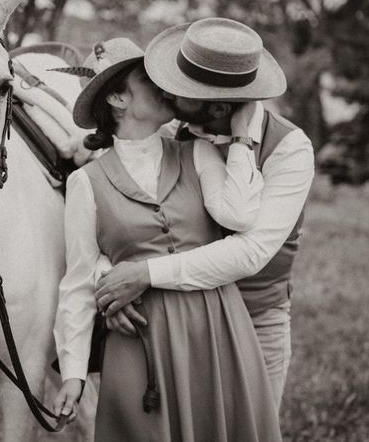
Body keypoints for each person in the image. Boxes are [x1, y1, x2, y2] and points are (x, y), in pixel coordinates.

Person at [52, 37, 281, 442]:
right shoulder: (85, 183)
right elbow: (78, 280)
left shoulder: (195, 153)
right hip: (140, 343)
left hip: (215, 328)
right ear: (118, 99)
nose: (165, 87)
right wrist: (73, 372)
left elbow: (240, 215)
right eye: (148, 79)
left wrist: (242, 137)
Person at [95, 18, 315, 410]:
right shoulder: (174, 135)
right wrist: (112, 286)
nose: (166, 92)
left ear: (216, 106)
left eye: (181, 91)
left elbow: (250, 252)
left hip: (255, 318)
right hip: (179, 319)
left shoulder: (290, 149)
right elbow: (111, 219)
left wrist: (143, 275)